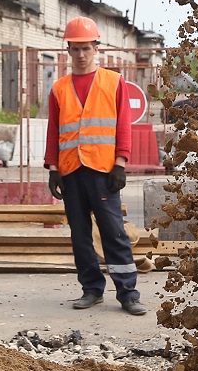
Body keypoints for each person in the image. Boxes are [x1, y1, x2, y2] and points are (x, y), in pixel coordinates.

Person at [45, 16, 145, 316]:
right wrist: (52, 168)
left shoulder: (113, 83)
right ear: (68, 51)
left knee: (113, 232)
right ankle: (91, 289)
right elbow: (54, 130)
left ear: (96, 48)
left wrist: (121, 163)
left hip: (103, 171)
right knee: (79, 233)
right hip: (71, 170)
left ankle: (127, 293)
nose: (81, 54)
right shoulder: (59, 88)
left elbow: (123, 126)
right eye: (75, 49)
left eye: (86, 48)